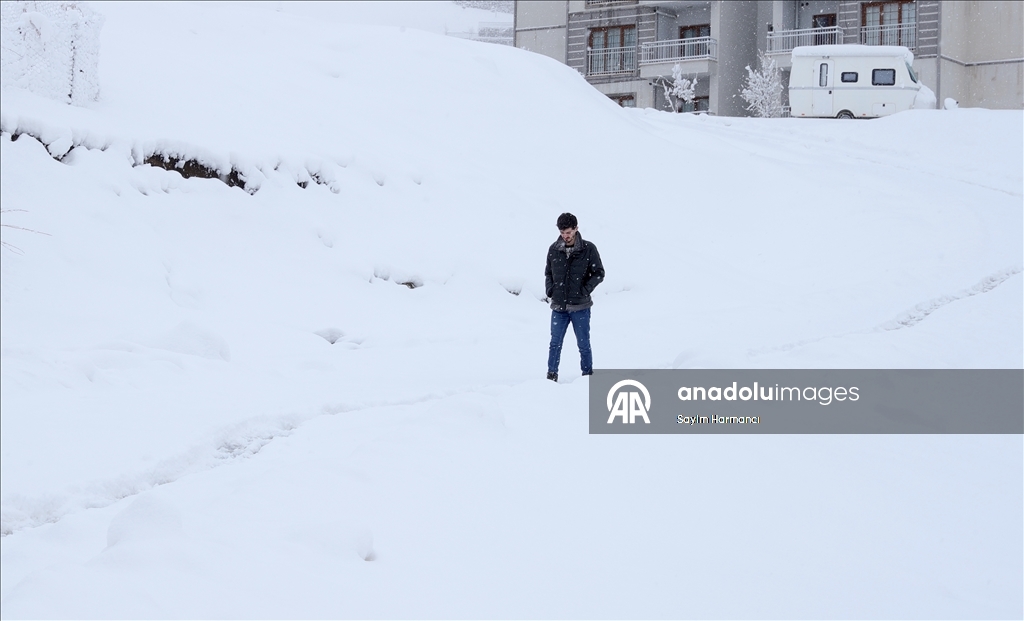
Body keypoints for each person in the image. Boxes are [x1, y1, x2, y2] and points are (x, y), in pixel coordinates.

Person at [544, 213, 605, 381]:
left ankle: (587, 376)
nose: (566, 236)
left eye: (569, 232)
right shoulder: (554, 249)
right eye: (563, 232)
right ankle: (551, 376)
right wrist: (551, 290)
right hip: (559, 307)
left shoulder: (588, 249)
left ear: (576, 229)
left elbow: (599, 273)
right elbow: (548, 273)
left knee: (583, 344)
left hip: (580, 307)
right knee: (555, 344)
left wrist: (585, 290)